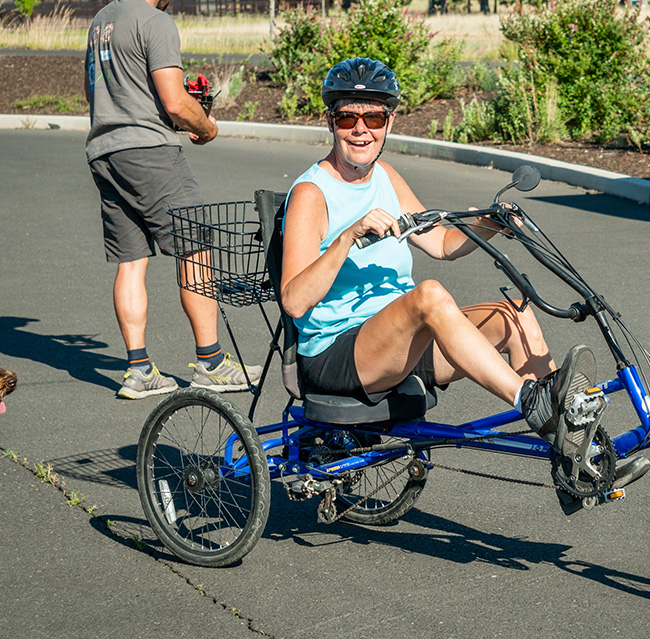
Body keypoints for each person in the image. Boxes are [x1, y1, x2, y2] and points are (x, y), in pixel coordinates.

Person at [280, 57, 598, 458]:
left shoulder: (386, 177)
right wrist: (347, 236)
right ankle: (530, 401)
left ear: (389, 123)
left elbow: (441, 244)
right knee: (428, 295)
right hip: (339, 353)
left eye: (374, 118)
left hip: (400, 344)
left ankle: (575, 455)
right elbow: (293, 300)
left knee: (514, 317)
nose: (361, 130)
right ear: (331, 123)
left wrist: (488, 224)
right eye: (347, 118)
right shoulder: (311, 193)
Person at [84, 0, 261, 399]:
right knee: (195, 247)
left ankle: (139, 369)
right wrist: (206, 125)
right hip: (150, 151)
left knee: (131, 260)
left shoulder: (101, 22)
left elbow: (98, 91)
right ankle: (211, 363)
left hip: (105, 150)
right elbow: (176, 102)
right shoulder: (155, 21)